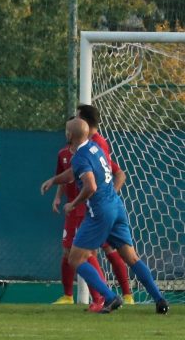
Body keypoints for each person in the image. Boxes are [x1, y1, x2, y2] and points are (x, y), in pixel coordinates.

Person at [41, 118, 169, 314]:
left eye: (67, 130)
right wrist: (53, 180)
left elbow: (90, 185)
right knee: (131, 257)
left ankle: (110, 297)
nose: (65, 133)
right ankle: (160, 300)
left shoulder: (80, 157)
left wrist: (73, 204)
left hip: (100, 211)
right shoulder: (94, 147)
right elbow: (74, 173)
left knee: (75, 259)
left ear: (70, 135)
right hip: (116, 206)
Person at [76, 104, 134, 304]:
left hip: (100, 208)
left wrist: (107, 198)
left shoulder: (96, 145)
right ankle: (117, 296)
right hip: (99, 206)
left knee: (88, 253)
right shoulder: (90, 144)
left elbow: (109, 176)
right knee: (110, 252)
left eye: (77, 118)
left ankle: (107, 298)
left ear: (83, 122)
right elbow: (114, 171)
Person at [50, 137, 108, 312]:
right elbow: (65, 177)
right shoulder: (63, 154)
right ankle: (68, 296)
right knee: (68, 251)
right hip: (72, 209)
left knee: (87, 253)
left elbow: (112, 173)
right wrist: (58, 197)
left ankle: (101, 297)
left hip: (87, 207)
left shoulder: (92, 151)